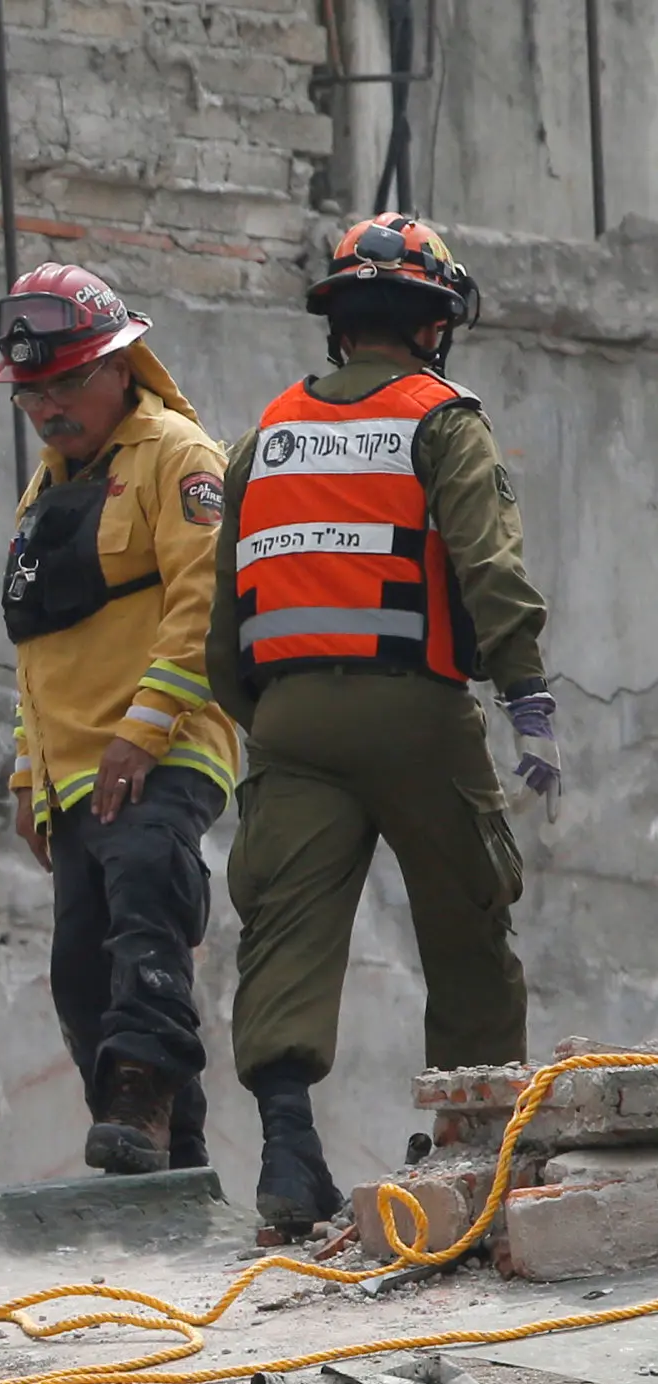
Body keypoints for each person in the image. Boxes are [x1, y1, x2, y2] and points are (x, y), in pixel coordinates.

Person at [206, 213, 555, 1235]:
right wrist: (524, 696)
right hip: (415, 710)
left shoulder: (262, 437)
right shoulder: (439, 418)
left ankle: (284, 1150)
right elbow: (488, 569)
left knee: (283, 928)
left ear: (339, 322)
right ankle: (466, 1151)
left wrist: (272, 719)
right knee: (466, 922)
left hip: (287, 719)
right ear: (430, 326)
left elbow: (220, 627)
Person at [0, 264, 241, 1179]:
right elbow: (36, 650)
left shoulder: (178, 456)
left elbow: (206, 600)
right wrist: (29, 776)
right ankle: (170, 1162)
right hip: (75, 776)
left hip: (162, 749)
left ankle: (139, 1101)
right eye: (31, 392)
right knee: (80, 973)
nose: (48, 406)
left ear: (120, 365)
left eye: (66, 383)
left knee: (148, 913)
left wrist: (146, 723)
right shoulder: (41, 498)